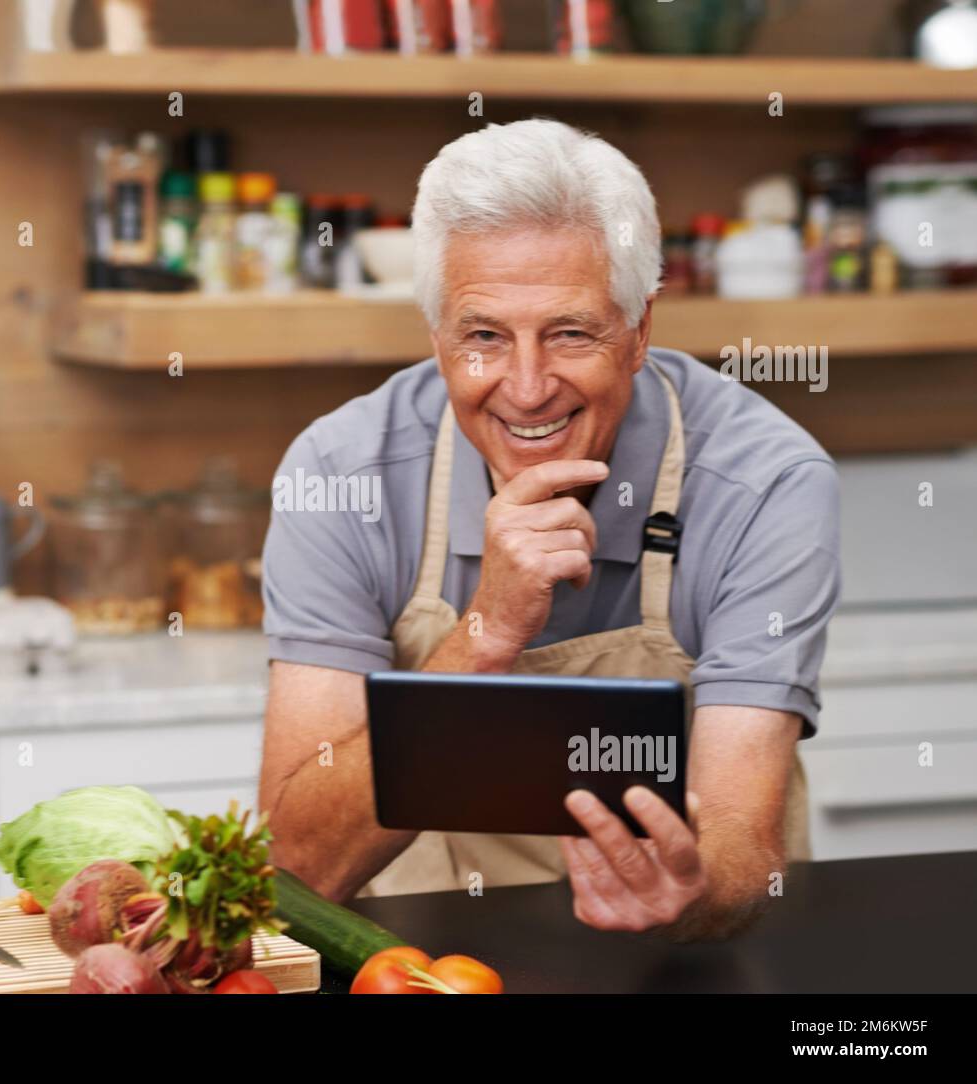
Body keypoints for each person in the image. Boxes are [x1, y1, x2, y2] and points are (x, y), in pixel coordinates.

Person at [259, 119, 840, 940]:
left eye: (571, 333)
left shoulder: (766, 484)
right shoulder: (339, 475)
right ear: (436, 339)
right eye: (484, 337)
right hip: (422, 967)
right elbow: (298, 865)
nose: (527, 390)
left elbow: (745, 843)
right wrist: (484, 637)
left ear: (639, 331)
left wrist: (689, 885)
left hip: (689, 960)